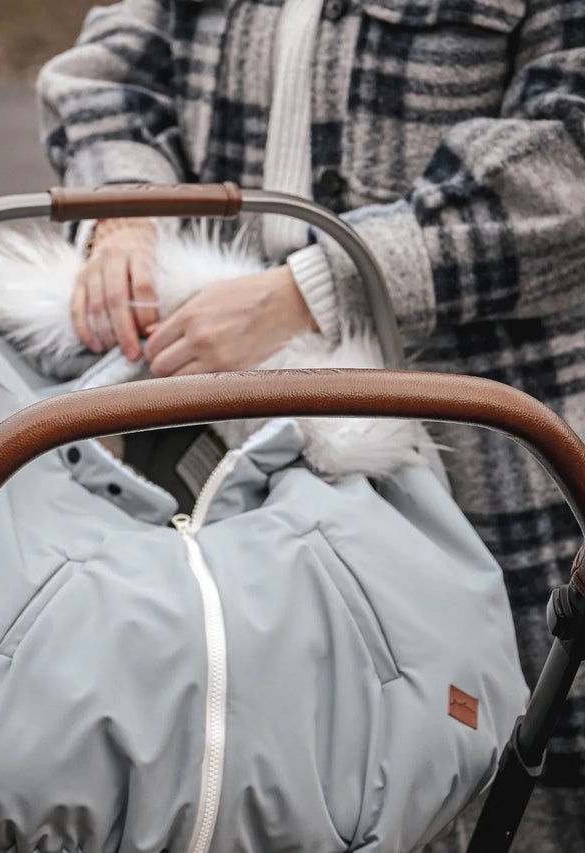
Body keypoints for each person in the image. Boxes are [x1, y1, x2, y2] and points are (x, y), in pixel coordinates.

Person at [37, 0, 585, 849]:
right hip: (219, 437)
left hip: (485, 453)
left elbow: (568, 154)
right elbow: (110, 70)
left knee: (504, 776)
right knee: (245, 760)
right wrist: (126, 209)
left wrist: (309, 291)